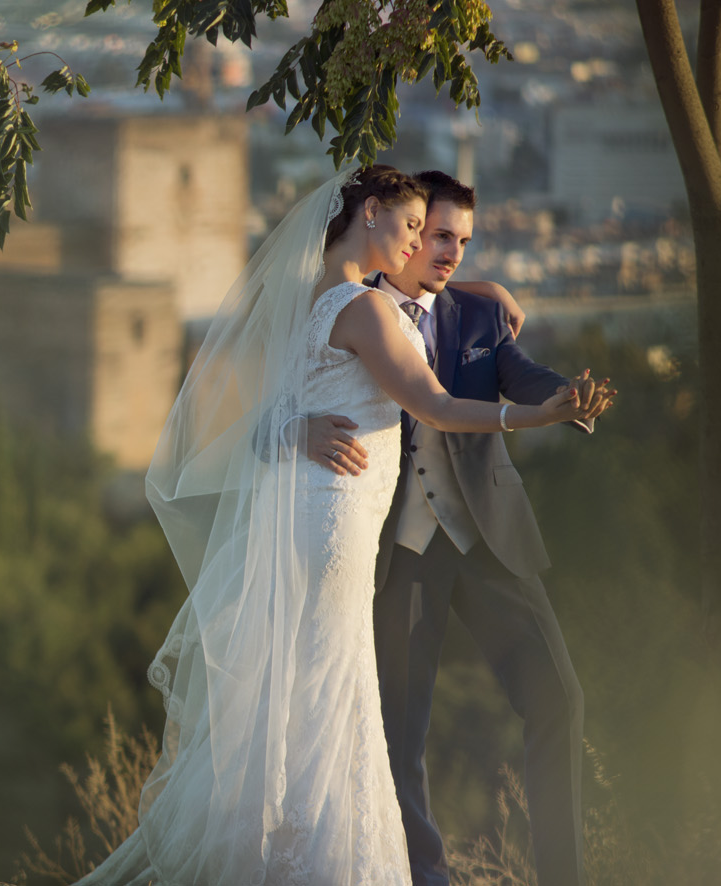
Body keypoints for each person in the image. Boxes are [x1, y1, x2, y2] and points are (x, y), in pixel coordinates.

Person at [73, 165, 593, 886]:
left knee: (351, 687)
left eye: (447, 239)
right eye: (422, 230)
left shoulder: (392, 304)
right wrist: (294, 426)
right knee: (359, 706)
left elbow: (481, 342)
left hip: (414, 527)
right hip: (361, 534)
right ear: (377, 217)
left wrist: (509, 329)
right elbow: (392, 407)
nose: (432, 248)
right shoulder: (357, 307)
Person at [303, 170, 614, 886]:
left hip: (486, 534)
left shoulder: (479, 314)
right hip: (394, 547)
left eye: (464, 243)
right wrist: (296, 428)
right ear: (405, 230)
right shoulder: (345, 307)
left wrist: (564, 397)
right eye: (438, 234)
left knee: (558, 696)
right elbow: (270, 397)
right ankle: (426, 875)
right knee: (396, 733)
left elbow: (521, 370)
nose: (449, 253)